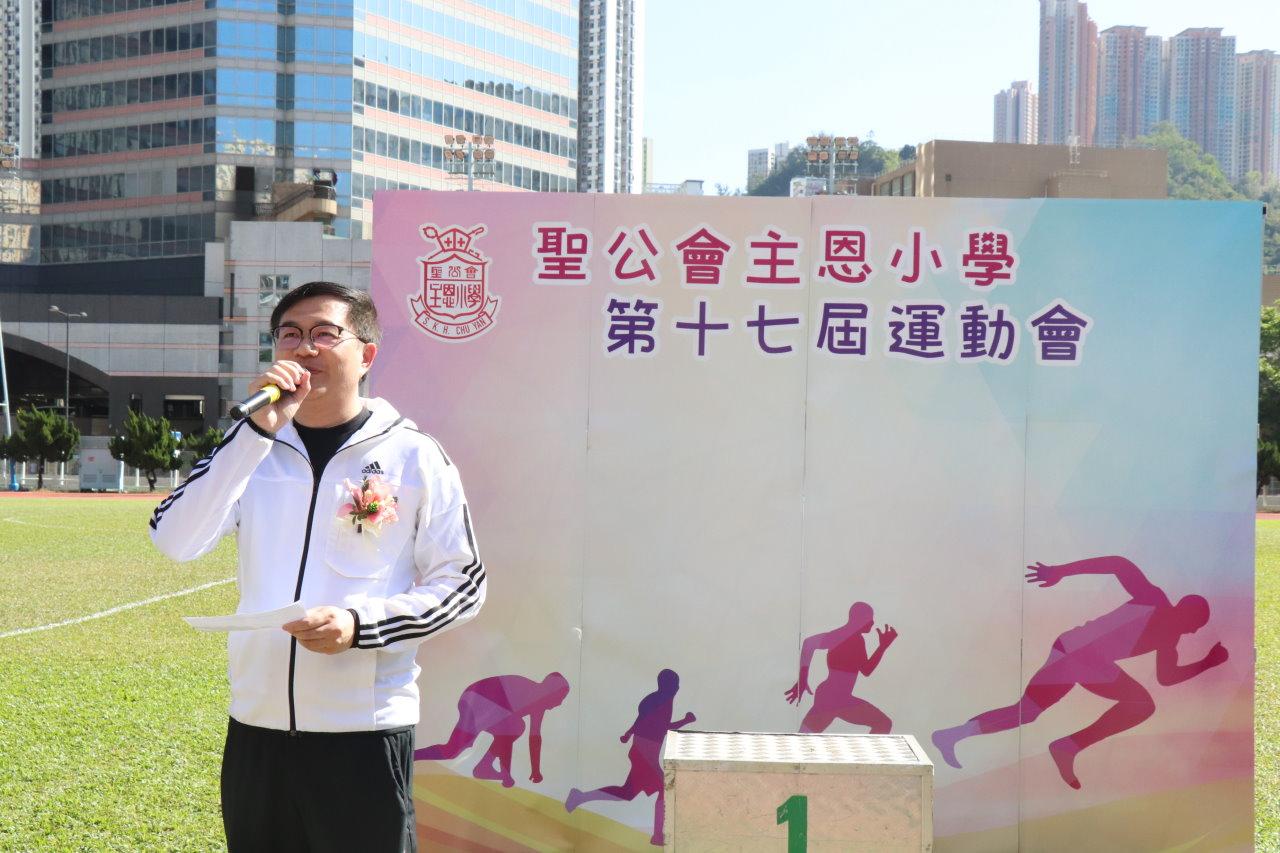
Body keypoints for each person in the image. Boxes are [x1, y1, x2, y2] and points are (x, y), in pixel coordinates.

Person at [150, 281, 487, 852]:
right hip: (256, 731)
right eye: (289, 334)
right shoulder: (252, 448)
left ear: (367, 355)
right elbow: (174, 539)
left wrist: (360, 626)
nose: (305, 348)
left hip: (363, 734)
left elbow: (463, 584)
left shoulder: (413, 455)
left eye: (325, 334)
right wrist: (253, 435)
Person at [931, 556, 1228, 789]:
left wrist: (1207, 663)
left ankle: (951, 735)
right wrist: (1060, 571)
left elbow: (1167, 677)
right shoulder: (1154, 599)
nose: (1192, 632)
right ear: (1185, 612)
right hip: (1082, 655)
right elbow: (1118, 565)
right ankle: (1067, 747)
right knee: (1141, 705)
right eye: (1195, 626)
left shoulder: (1168, 639)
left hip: (1072, 651)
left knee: (1028, 711)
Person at [565, 669, 696, 847]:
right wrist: (686, 721)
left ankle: (580, 797)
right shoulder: (662, 701)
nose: (678, 688)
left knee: (627, 793)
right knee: (664, 788)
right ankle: (658, 836)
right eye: (676, 685)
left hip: (641, 753)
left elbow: (641, 720)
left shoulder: (655, 699)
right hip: (644, 755)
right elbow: (662, 727)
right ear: (670, 686)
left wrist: (628, 734)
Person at [414, 672, 570, 788]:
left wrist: (535, 771)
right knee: (515, 726)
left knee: (451, 751)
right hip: (477, 699)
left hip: (481, 701)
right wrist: (506, 774)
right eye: (561, 697)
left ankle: (484, 767)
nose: (560, 703)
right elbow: (507, 733)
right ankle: (484, 767)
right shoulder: (529, 693)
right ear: (551, 691)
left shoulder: (538, 703)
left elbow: (534, 738)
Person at [785, 601, 897, 734]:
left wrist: (882, 646)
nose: (872, 622)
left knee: (884, 723)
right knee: (883, 723)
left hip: (840, 700)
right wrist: (803, 679)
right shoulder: (842, 635)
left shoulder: (857, 639)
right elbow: (809, 643)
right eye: (869, 618)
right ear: (858, 619)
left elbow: (866, 669)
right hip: (831, 699)